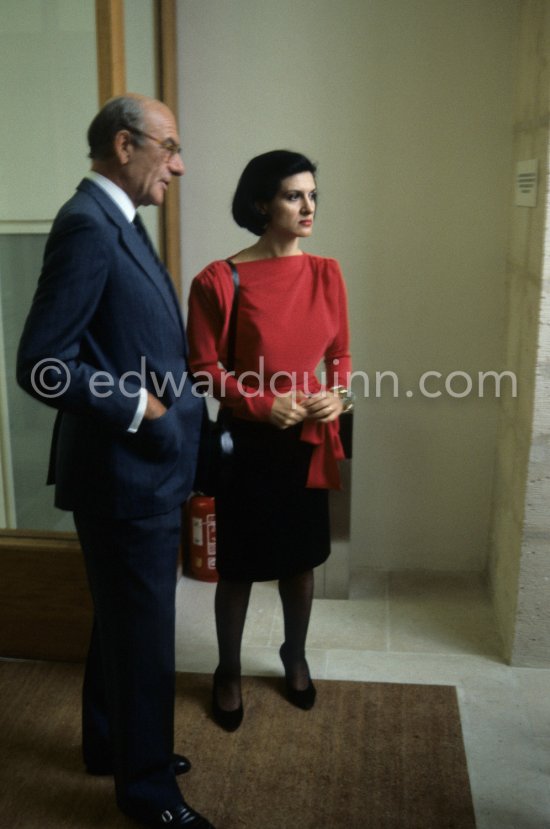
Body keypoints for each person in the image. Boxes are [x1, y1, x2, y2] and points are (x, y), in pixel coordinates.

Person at [16, 95, 214, 829]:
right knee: (144, 636)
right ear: (126, 144)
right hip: (124, 472)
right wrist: (145, 409)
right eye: (171, 147)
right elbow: (41, 363)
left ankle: (109, 743)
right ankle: (148, 791)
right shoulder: (86, 225)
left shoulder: (117, 220)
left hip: (142, 471)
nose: (180, 164)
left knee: (122, 623)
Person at [187, 149, 353, 731]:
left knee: (300, 563)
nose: (308, 206)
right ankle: (228, 670)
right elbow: (203, 369)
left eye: (312, 195)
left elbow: (340, 356)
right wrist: (261, 403)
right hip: (247, 447)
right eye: (292, 195)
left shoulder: (327, 273)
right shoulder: (220, 278)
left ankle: (294, 654)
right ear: (262, 204)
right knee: (238, 567)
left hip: (309, 438)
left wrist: (340, 396)